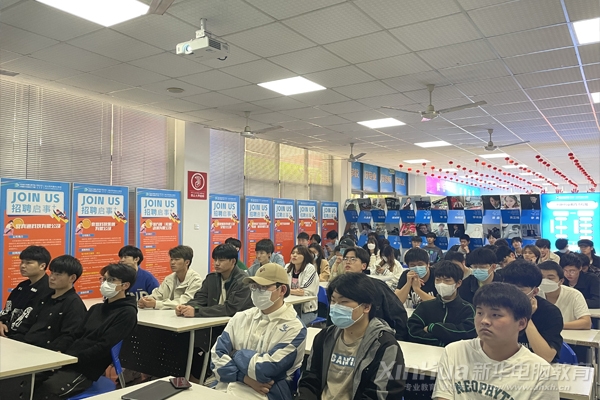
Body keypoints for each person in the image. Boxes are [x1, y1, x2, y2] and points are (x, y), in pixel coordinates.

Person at [432, 282, 559, 400]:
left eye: (495, 315)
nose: (484, 321)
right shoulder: (455, 352)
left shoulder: (541, 373)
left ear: (521, 323)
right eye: (480, 313)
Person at [33, 263, 138, 400]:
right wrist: (59, 353)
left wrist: (72, 359)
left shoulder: (127, 313)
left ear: (125, 285)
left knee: (45, 391)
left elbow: (103, 347)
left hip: (86, 369)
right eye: (104, 279)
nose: (105, 283)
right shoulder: (97, 308)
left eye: (111, 280)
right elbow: (75, 334)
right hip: (69, 360)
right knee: (27, 382)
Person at [298, 273, 405, 400]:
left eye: (344, 302)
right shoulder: (324, 337)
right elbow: (310, 380)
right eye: (333, 301)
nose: (335, 307)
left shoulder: (385, 346)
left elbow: (380, 394)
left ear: (366, 307)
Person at [210, 263, 306, 400]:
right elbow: (216, 359)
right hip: (225, 386)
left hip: (266, 393)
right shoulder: (241, 317)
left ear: (282, 290)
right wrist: (243, 377)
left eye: (264, 287)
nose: (256, 291)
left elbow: (265, 370)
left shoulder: (294, 328)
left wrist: (234, 353)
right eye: (254, 286)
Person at [14, 255, 86, 352]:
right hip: (26, 345)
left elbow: (69, 336)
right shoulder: (45, 298)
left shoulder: (74, 304)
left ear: (72, 278)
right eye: (51, 273)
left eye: (58, 274)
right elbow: (27, 323)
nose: (52, 277)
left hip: (45, 351)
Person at [502, 260, 563, 363]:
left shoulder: (550, 312)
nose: (512, 294)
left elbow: (546, 357)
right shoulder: (496, 307)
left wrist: (527, 317)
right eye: (508, 289)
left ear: (534, 291)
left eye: (520, 290)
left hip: (537, 368)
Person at [341, 247, 408, 340]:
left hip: (375, 336)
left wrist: (399, 338)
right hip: (344, 335)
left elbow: (398, 312)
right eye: (345, 259)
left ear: (363, 266)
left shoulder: (376, 286)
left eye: (353, 259)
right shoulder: (338, 287)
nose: (348, 262)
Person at [407, 261, 476, 346]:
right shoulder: (425, 306)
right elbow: (412, 331)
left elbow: (468, 332)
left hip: (455, 352)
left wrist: (432, 328)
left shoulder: (467, 309)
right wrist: (440, 342)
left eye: (447, 281)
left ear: (458, 283)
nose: (441, 284)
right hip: (426, 351)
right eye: (438, 280)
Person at [177, 244, 253, 318]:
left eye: (221, 260)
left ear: (233, 261)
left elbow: (230, 309)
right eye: (215, 260)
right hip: (214, 320)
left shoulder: (243, 281)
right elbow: (200, 299)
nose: (217, 263)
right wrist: (185, 307)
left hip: (237, 322)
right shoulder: (211, 278)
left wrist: (197, 311)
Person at [0, 245, 53, 337]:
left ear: (42, 266)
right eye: (22, 262)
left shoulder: (48, 289)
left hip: (24, 338)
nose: (23, 266)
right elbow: (8, 309)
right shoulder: (22, 286)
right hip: (7, 333)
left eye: (28, 263)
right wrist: (1, 322)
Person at [138, 245, 203, 310]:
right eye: (171, 259)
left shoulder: (196, 280)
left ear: (187, 262)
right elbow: (158, 294)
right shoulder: (169, 278)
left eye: (177, 259)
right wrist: (146, 300)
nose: (172, 262)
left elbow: (185, 301)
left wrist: (156, 304)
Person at [538, 261, 591, 330]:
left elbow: (586, 323)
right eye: (542, 278)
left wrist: (556, 326)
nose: (545, 281)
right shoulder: (535, 294)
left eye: (550, 278)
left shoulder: (574, 294)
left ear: (561, 281)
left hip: (569, 335)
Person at [286, 245, 319, 326]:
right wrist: (291, 291)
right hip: (290, 309)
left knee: (292, 326)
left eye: (298, 253)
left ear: (305, 256)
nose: (294, 255)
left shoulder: (310, 268)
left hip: (307, 310)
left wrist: (287, 290)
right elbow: (282, 287)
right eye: (293, 253)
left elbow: (303, 292)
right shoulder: (287, 267)